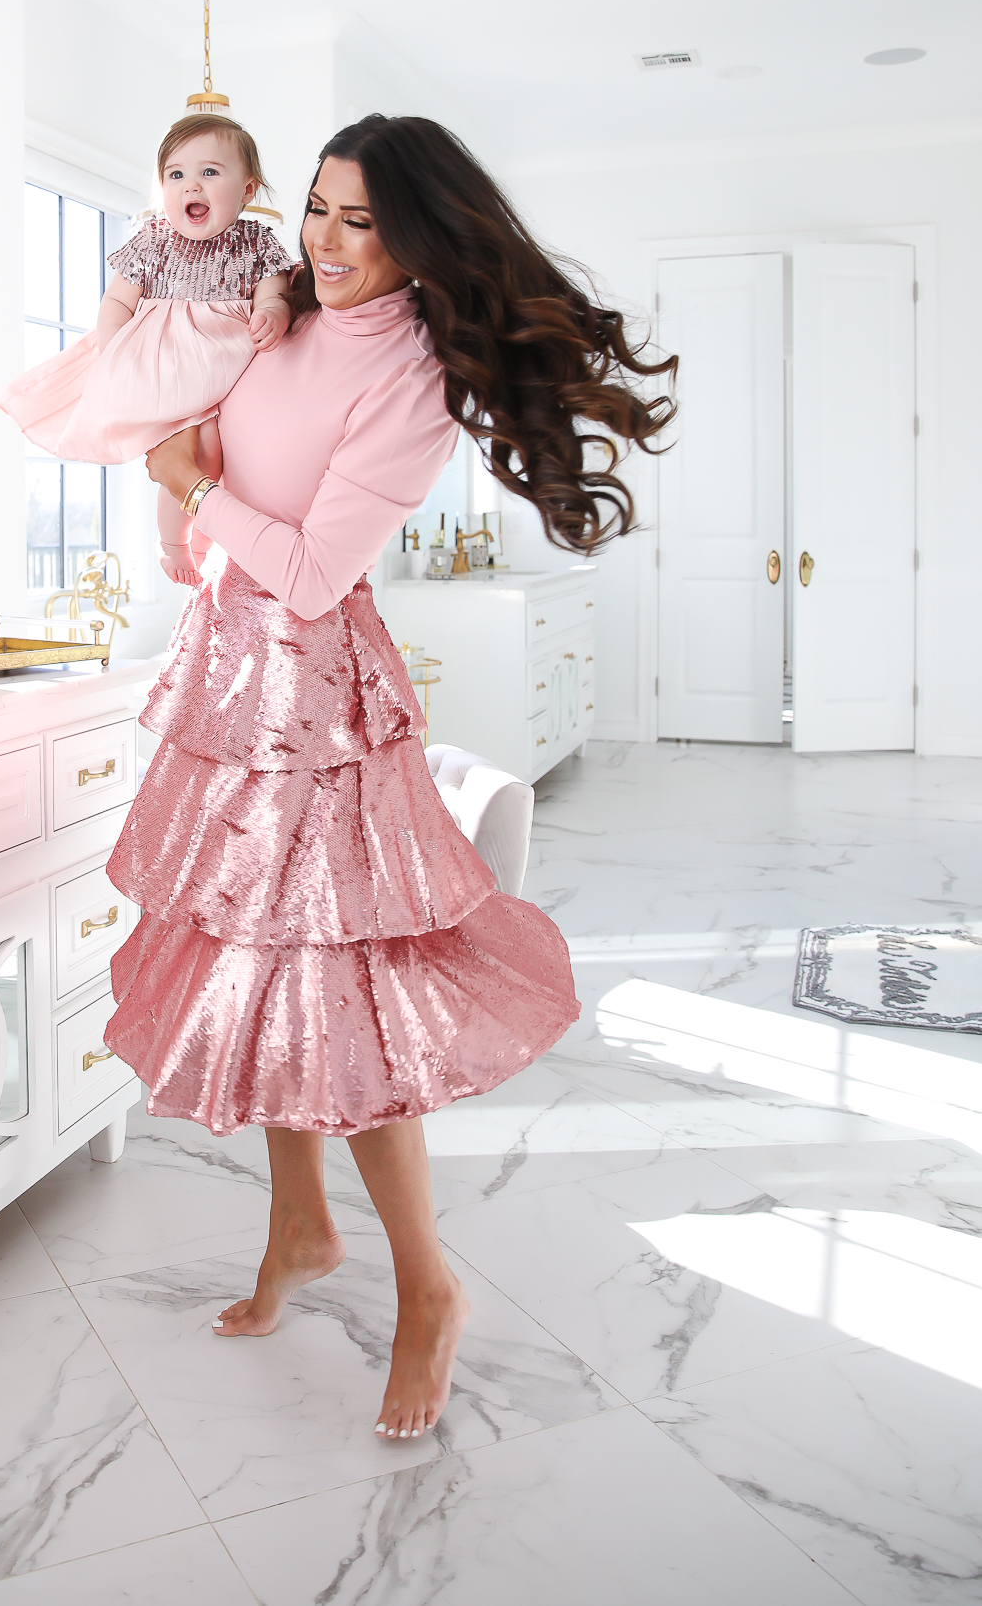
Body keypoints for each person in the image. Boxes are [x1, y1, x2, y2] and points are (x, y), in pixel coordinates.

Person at [103, 114, 676, 1441]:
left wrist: (199, 488)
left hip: (317, 695)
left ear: (418, 236)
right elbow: (215, 518)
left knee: (340, 989)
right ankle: (300, 1224)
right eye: (319, 208)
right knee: (256, 959)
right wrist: (187, 491)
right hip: (227, 674)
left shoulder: (412, 373)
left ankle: (428, 1288)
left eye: (363, 221)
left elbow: (311, 572)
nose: (330, 241)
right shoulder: (277, 307)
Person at [0, 114, 295, 583]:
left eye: (210, 173)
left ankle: (207, 536)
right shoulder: (155, 239)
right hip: (166, 370)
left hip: (228, 367)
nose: (190, 186)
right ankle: (174, 544)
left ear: (248, 190)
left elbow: (275, 292)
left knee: (219, 458)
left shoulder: (256, 240)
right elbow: (117, 299)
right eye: (176, 175)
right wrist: (116, 352)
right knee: (189, 456)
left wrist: (273, 313)